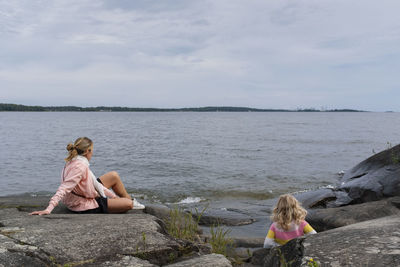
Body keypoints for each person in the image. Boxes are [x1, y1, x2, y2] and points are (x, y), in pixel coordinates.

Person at [30, 137, 145, 215]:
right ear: (87, 151)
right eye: (92, 150)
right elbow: (64, 187)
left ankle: (130, 199)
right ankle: (130, 201)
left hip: (85, 193)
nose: (93, 153)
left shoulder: (75, 161)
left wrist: (112, 196)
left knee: (113, 175)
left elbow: (93, 182)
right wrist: (49, 209)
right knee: (128, 205)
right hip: (82, 204)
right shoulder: (79, 167)